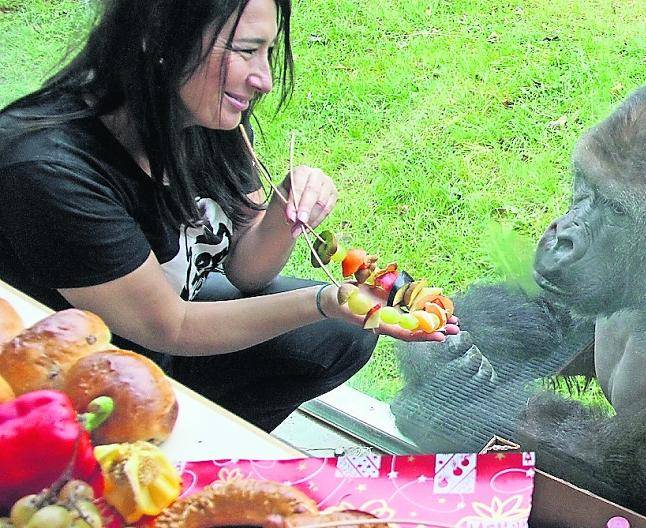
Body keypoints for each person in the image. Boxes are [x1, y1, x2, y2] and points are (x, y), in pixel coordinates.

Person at [0, 0, 458, 432]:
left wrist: (282, 212)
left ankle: (207, 451)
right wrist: (325, 302)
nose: (265, 80)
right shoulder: (50, 170)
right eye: (245, 51)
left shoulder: (200, 115)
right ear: (158, 36)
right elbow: (169, 326)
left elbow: (246, 269)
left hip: (156, 335)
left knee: (336, 338)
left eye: (269, 51)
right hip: (61, 376)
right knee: (323, 319)